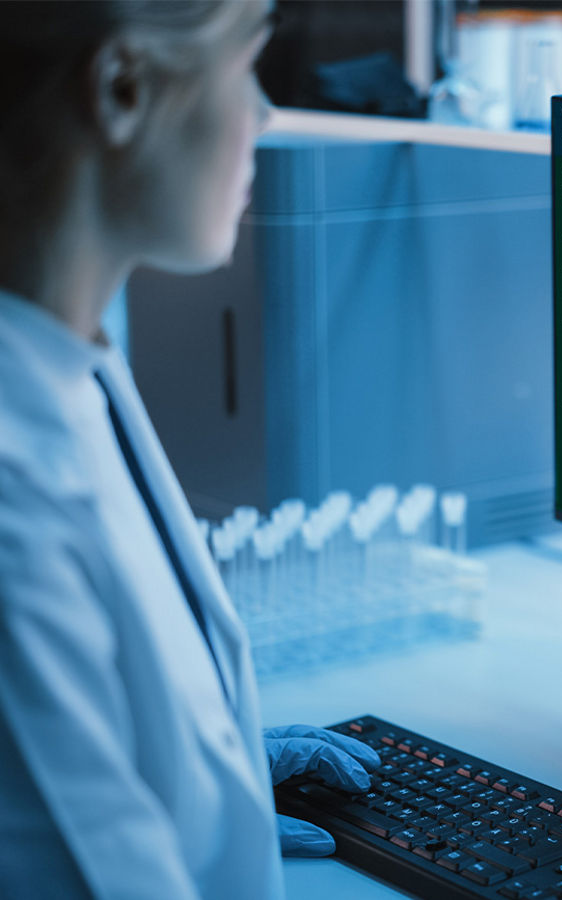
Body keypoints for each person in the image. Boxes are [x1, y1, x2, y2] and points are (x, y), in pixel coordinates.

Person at [0, 3, 380, 897]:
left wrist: (203, 770)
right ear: (122, 89)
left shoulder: (75, 364)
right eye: (248, 67)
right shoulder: (17, 496)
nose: (265, 114)